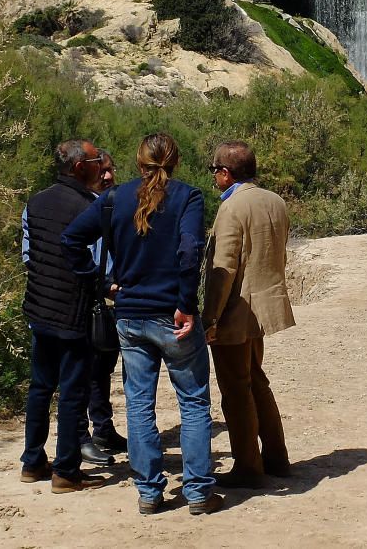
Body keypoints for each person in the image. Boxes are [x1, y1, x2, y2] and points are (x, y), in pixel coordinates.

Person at [62, 133, 223, 516]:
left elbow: (71, 239)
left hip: (130, 315)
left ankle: (149, 492)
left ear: (138, 163)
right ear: (176, 161)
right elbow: (188, 251)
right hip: (173, 315)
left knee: (138, 403)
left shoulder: (114, 199)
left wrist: (102, 283)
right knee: (194, 402)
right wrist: (186, 304)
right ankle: (198, 493)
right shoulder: (189, 197)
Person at [202, 140, 296, 489]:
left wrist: (210, 318)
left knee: (236, 389)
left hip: (236, 310)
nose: (214, 177)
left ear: (225, 173)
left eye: (215, 170)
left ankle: (248, 466)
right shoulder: (275, 201)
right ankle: (277, 458)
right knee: (257, 381)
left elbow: (222, 268)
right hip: (265, 307)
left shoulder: (232, 209)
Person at [19, 139, 106, 494]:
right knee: (73, 391)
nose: (101, 165)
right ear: (79, 166)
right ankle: (67, 471)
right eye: (96, 159)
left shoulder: (36, 200)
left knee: (40, 387)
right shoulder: (89, 206)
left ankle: (32, 461)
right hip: (73, 311)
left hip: (39, 307)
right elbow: (97, 262)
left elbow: (30, 254)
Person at [77, 150, 128, 465]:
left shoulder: (118, 206)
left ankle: (103, 428)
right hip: (83, 300)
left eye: (111, 170)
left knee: (103, 368)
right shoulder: (76, 208)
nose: (108, 176)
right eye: (102, 170)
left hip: (114, 302)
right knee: (82, 371)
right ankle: (79, 435)